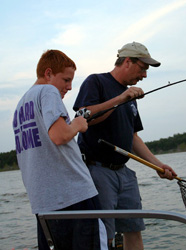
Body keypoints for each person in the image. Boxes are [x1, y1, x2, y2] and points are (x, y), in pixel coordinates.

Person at [73, 41, 177, 250]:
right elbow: (84, 119)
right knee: (105, 238)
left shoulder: (131, 97)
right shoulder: (97, 82)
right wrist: (119, 98)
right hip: (97, 171)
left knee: (134, 230)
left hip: (125, 174)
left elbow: (133, 138)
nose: (145, 75)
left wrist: (159, 165)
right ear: (128, 61)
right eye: (143, 68)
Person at [12, 50, 107, 250]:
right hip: (75, 196)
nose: (69, 87)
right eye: (66, 79)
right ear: (48, 74)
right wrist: (79, 124)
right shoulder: (48, 91)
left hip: (43, 204)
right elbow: (60, 136)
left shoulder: (20, 106)